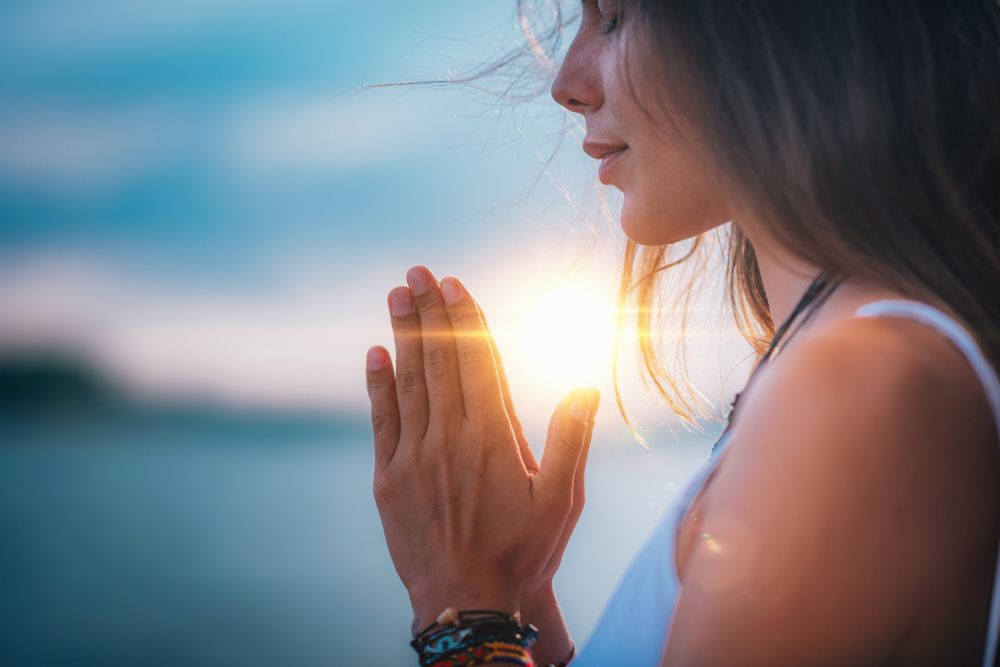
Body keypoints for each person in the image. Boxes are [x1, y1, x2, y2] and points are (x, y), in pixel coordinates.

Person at [364, 1, 1000, 664]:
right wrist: (519, 601)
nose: (566, 82)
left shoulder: (863, 389)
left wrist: (463, 609)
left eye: (612, 18)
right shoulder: (841, 371)